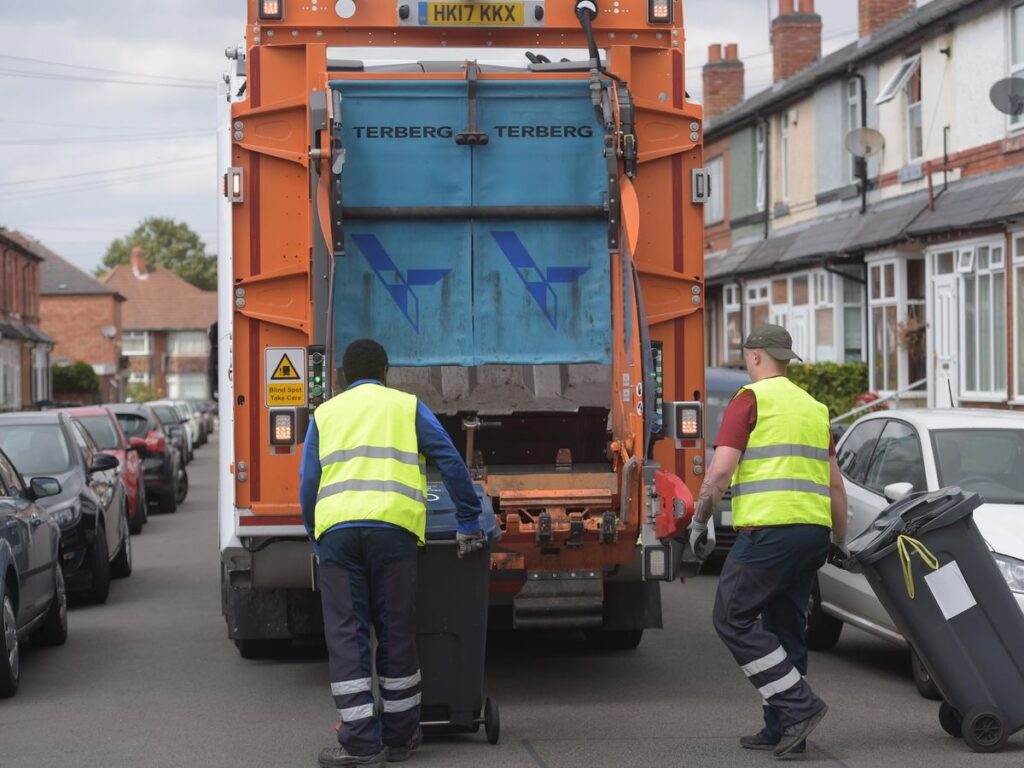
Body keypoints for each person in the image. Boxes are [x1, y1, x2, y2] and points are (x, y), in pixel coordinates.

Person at [299, 338, 485, 767]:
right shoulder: (406, 407)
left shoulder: (325, 415)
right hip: (395, 533)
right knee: (397, 631)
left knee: (347, 635)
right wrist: (468, 518)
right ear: (385, 371)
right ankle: (400, 738)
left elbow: (309, 481)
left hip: (339, 538)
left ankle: (361, 743)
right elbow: (451, 460)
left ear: (343, 377)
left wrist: (315, 533)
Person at [688, 324, 848, 759]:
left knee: (731, 617)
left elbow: (720, 472)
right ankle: (783, 730)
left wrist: (700, 520)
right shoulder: (815, 408)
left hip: (770, 532)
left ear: (756, 356)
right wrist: (839, 538)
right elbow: (836, 486)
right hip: (811, 534)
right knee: (784, 626)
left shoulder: (750, 400)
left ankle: (799, 707)